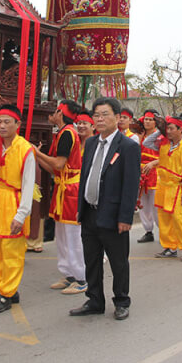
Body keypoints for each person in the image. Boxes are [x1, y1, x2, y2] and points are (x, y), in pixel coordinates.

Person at [70, 97, 141, 321]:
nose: (100, 119)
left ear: (117, 117)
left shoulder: (128, 147)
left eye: (105, 114)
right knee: (91, 260)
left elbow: (131, 185)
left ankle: (121, 301)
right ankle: (94, 300)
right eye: (96, 115)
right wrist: (81, 207)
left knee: (118, 262)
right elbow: (85, 177)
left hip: (113, 215)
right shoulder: (91, 143)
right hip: (90, 212)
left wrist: (125, 217)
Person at [0, 105, 37, 313]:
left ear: (17, 124)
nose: (2, 126)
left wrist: (21, 214)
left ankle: (5, 294)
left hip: (15, 200)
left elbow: (29, 184)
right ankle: (9, 289)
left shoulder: (25, 149)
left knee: (12, 250)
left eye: (7, 122)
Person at [34, 100, 87, 296]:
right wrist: (37, 156)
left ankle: (82, 278)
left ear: (60, 113)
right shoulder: (62, 133)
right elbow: (54, 169)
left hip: (71, 190)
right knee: (62, 235)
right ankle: (69, 274)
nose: (52, 113)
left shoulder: (67, 134)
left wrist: (37, 153)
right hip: (62, 188)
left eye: (56, 110)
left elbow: (58, 163)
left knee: (73, 236)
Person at [143, 115, 182, 261]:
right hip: (162, 186)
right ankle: (169, 247)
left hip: (177, 187)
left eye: (171, 128)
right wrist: (160, 130)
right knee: (163, 218)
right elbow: (147, 142)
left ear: (180, 129)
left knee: (178, 219)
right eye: (167, 129)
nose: (169, 131)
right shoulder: (163, 144)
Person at [137, 109, 161, 244]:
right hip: (142, 173)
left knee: (156, 204)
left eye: (150, 119)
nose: (147, 122)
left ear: (155, 122)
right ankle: (148, 231)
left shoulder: (160, 137)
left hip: (156, 173)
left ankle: (163, 231)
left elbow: (166, 156)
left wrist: (153, 163)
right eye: (146, 119)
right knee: (143, 204)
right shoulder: (140, 135)